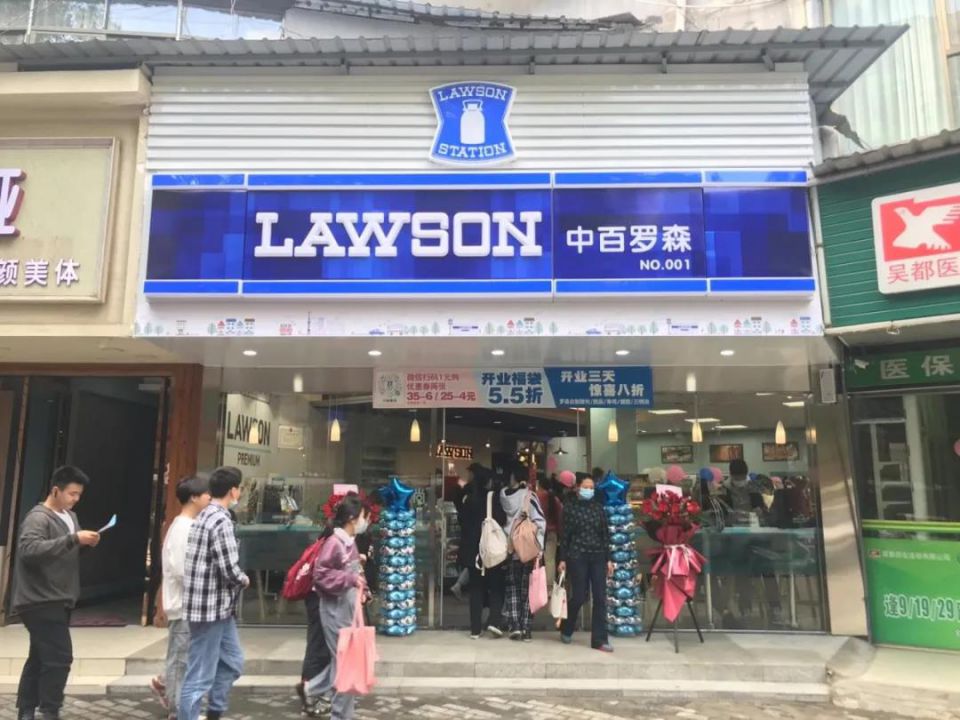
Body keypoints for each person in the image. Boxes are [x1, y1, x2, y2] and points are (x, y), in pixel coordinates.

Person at [14, 466, 101, 720]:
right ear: (55, 490)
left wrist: (85, 544)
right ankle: (49, 710)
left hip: (61, 597)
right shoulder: (38, 518)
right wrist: (73, 539)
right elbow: (29, 550)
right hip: (40, 599)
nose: (76, 499)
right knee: (60, 657)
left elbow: (64, 551)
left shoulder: (70, 517)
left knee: (40, 656)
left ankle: (26, 710)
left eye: (79, 494)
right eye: (72, 494)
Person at [178, 467, 250, 720]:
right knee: (199, 675)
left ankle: (215, 711)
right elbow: (229, 568)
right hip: (210, 608)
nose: (239, 492)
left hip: (218, 607)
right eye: (239, 488)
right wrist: (244, 579)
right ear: (233, 490)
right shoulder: (220, 520)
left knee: (232, 661)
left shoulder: (206, 515)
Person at [153, 475, 211, 719]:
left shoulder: (187, 525)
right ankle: (179, 710)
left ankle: (172, 694)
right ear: (194, 498)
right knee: (181, 660)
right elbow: (181, 570)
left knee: (184, 658)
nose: (209, 499)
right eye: (207, 494)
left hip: (189, 605)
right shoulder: (183, 528)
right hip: (184, 604)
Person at [311, 495, 369, 720]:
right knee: (344, 664)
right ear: (352, 519)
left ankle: (319, 695)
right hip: (335, 610)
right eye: (363, 517)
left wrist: (362, 587)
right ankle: (338, 713)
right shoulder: (335, 543)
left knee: (344, 662)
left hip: (346, 609)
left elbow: (352, 572)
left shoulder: (348, 542)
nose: (365, 521)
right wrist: (350, 579)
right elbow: (321, 575)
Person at [557, 474, 614, 652]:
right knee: (579, 596)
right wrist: (562, 558)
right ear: (577, 488)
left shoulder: (598, 508)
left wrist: (609, 559)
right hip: (577, 556)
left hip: (598, 556)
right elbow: (565, 536)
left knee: (600, 597)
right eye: (585, 487)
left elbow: (605, 534)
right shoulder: (570, 508)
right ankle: (567, 627)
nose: (589, 490)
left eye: (591, 488)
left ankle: (599, 639)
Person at [456, 465, 506, 639]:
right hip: (490, 549)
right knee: (496, 586)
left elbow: (461, 520)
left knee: (475, 589)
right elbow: (502, 519)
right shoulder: (492, 498)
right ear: (488, 481)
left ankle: (475, 629)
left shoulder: (468, 499)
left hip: (472, 550)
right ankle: (494, 621)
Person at [500, 468, 545, 641]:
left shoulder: (502, 497)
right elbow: (540, 521)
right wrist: (539, 547)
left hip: (510, 548)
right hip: (527, 549)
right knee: (528, 589)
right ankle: (526, 627)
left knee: (512, 588)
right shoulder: (529, 496)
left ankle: (515, 625)